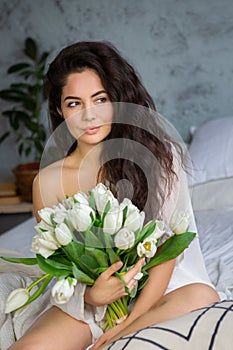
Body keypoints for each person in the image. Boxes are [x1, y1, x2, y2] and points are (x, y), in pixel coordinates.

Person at [8, 41, 219, 350]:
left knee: (203, 297)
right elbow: (62, 265)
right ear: (58, 108)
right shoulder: (47, 182)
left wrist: (126, 327)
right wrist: (92, 296)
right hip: (91, 300)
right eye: (74, 103)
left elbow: (167, 254)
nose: (89, 115)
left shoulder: (159, 159)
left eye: (100, 99)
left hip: (160, 292)